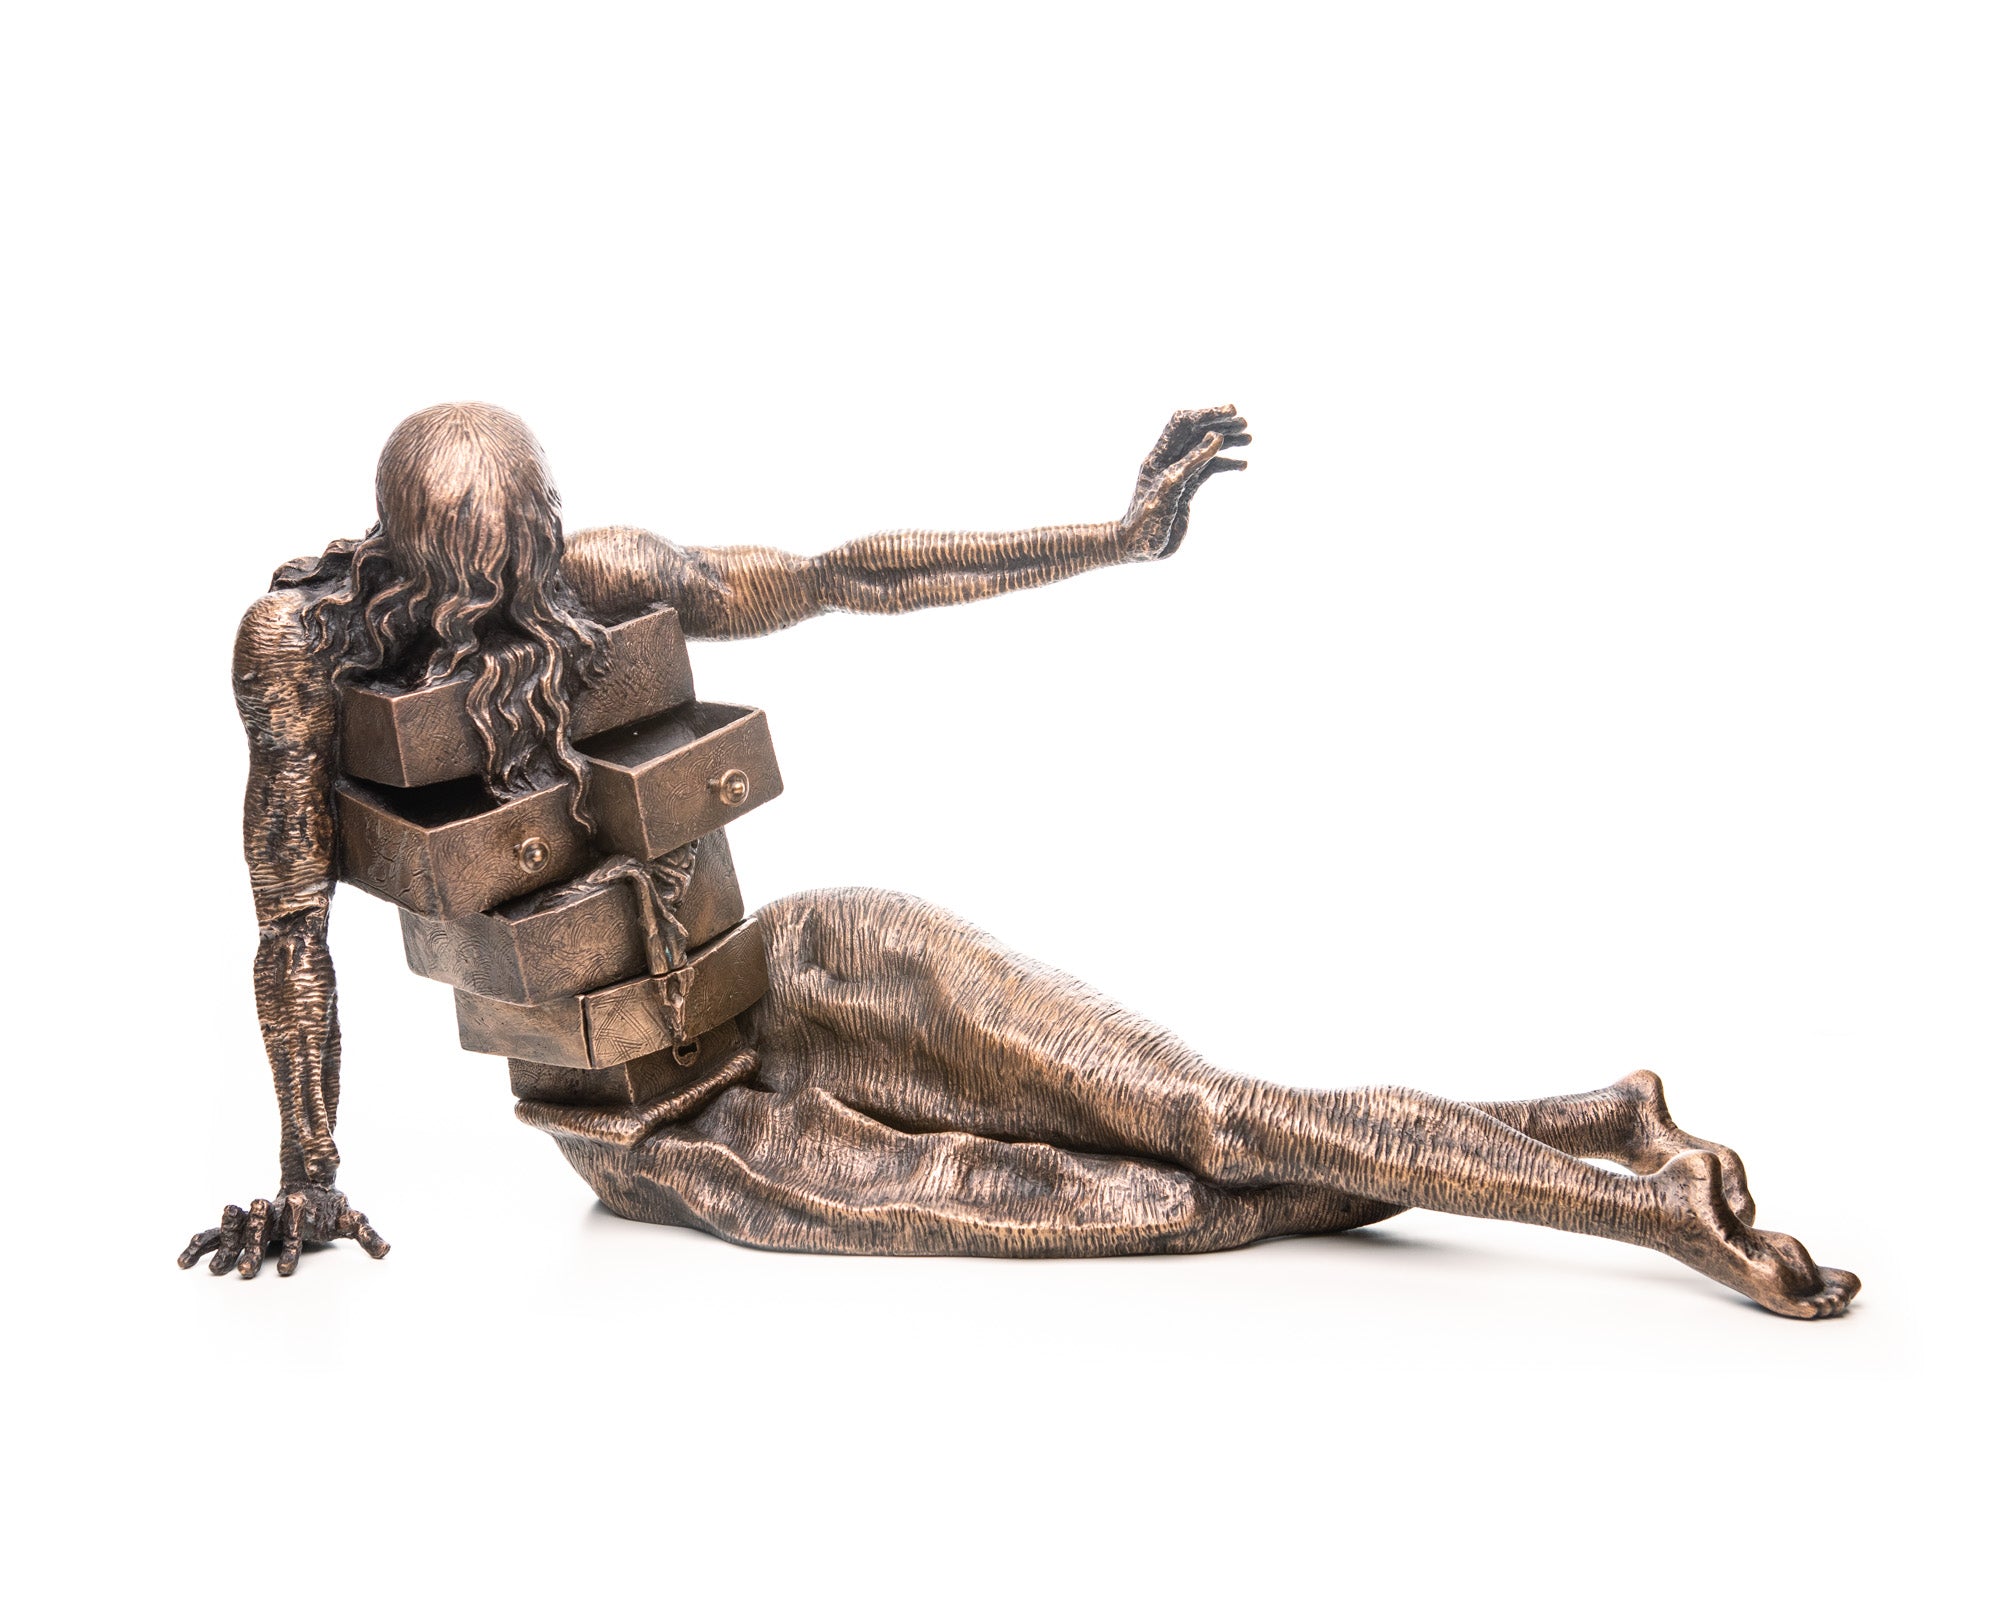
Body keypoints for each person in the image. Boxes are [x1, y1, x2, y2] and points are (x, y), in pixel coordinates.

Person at [180, 402, 1859, 1319]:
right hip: (663, 1127)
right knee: (1171, 1204)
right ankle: (1597, 1134)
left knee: (1199, 1110)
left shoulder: (603, 575)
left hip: (802, 963)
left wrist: (1110, 537)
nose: (527, 612)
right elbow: (288, 927)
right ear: (408, 557)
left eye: (536, 561)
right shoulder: (305, 656)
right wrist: (311, 1169)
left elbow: (847, 574)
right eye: (490, 583)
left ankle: (1643, 1203)